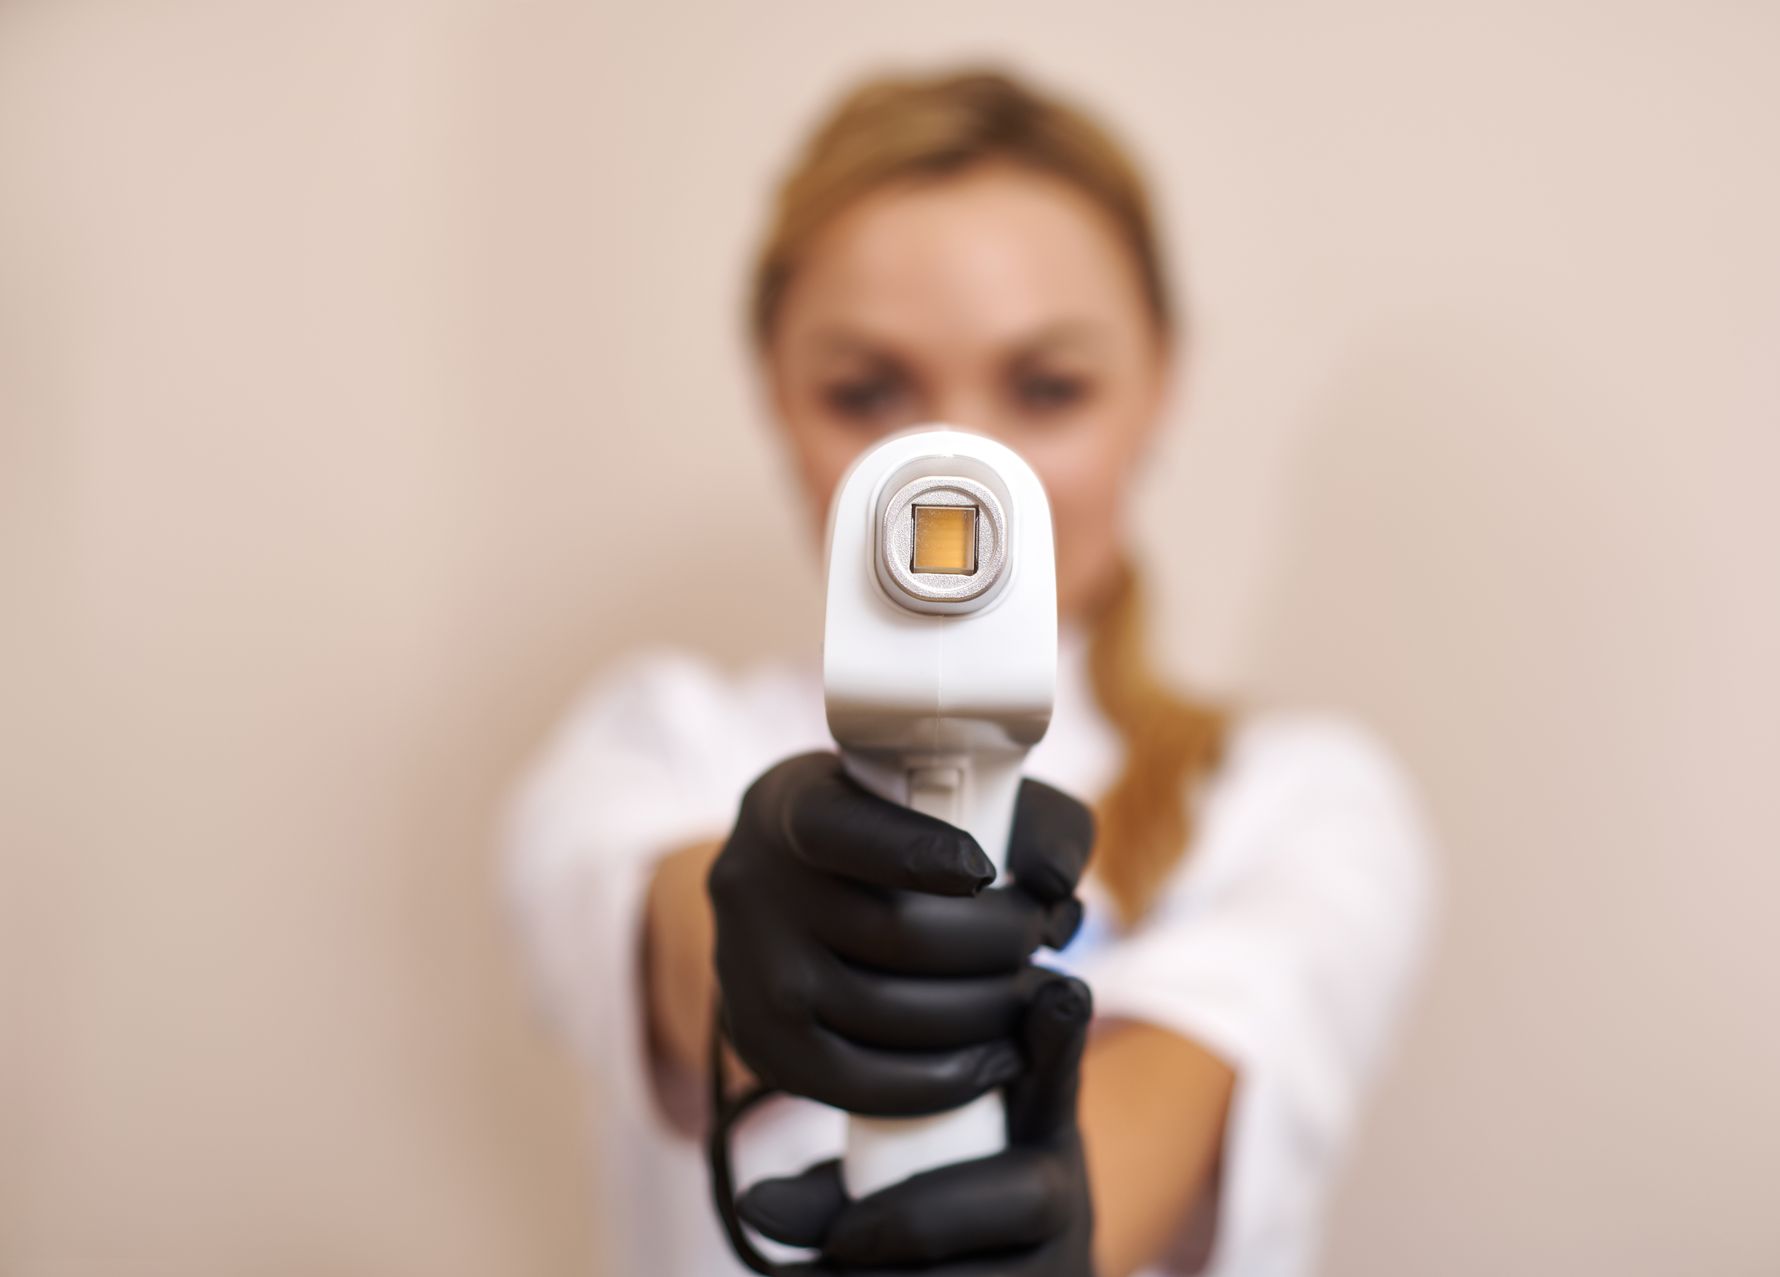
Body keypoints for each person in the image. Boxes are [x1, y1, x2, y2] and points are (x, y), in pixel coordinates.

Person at [508, 67, 1434, 1277]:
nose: (957, 468)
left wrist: (1054, 1213)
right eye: (866, 391)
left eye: (1047, 388)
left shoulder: (1304, 803)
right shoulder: (650, 743)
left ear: (1160, 387)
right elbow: (662, 929)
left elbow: (1170, 1111)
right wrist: (750, 950)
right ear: (776, 398)